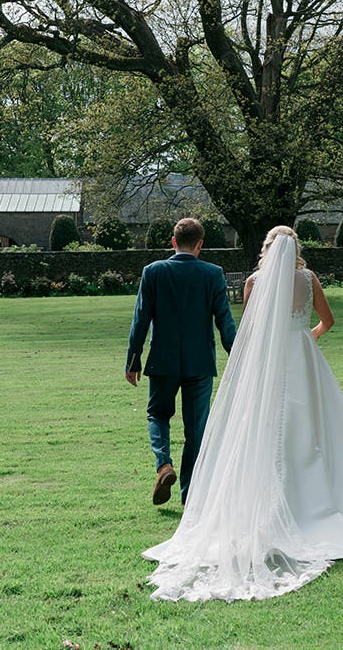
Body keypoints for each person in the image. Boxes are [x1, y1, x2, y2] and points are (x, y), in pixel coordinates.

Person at [142, 225, 343, 601]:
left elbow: (252, 333)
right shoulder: (308, 279)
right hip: (302, 361)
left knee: (265, 430)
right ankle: (316, 501)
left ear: (266, 249)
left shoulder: (254, 283)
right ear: (296, 249)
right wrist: (308, 336)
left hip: (268, 365)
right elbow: (328, 321)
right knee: (312, 430)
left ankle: (266, 505)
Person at [125, 217, 236, 506]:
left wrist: (133, 360)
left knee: (157, 414)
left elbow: (140, 319)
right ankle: (190, 494)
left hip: (162, 360)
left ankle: (164, 464)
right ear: (200, 244)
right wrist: (238, 356)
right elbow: (225, 321)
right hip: (200, 363)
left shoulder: (153, 271)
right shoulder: (213, 274)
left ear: (173, 242)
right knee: (196, 429)